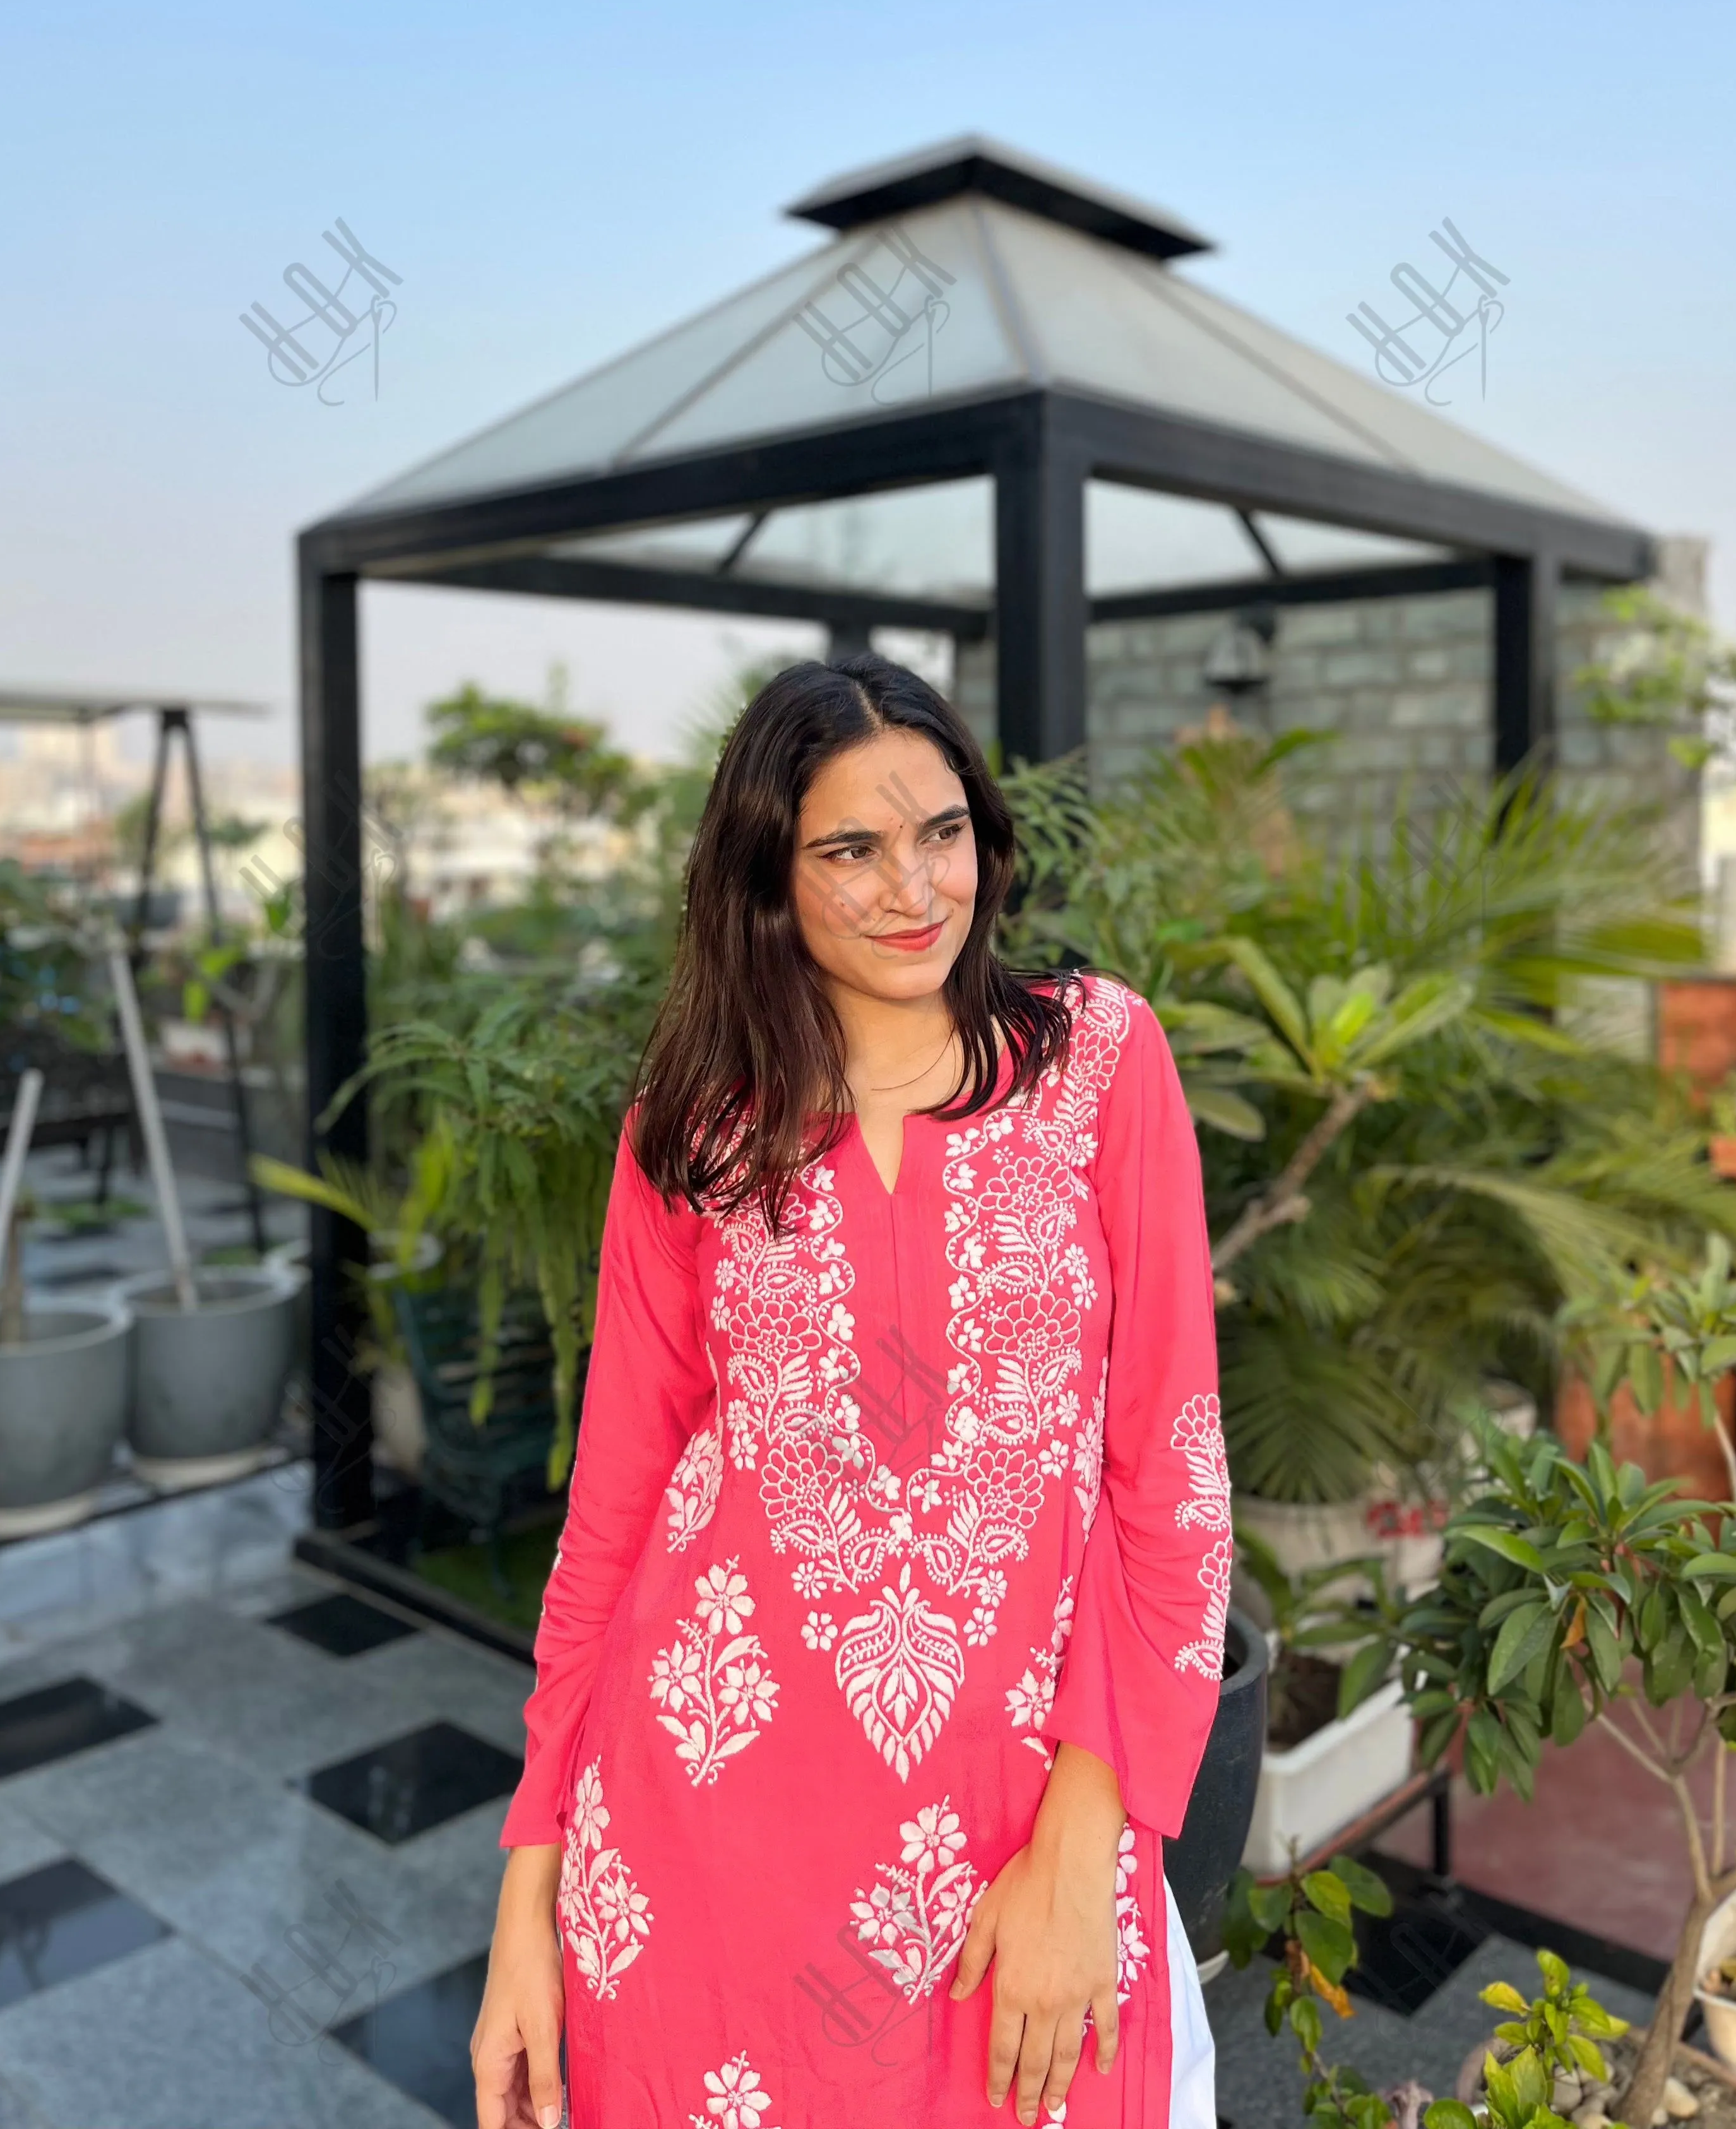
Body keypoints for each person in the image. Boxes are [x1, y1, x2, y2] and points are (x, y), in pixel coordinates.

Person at [472, 655, 1232, 2129]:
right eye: (851, 850)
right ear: (767, 876)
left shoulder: (1098, 1063)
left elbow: (1172, 1473)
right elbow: (616, 1506)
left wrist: (1088, 1844)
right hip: (702, 1853)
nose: (913, 888)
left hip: (1022, 1844)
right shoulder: (688, 1134)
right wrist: (529, 1893)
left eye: (941, 831)